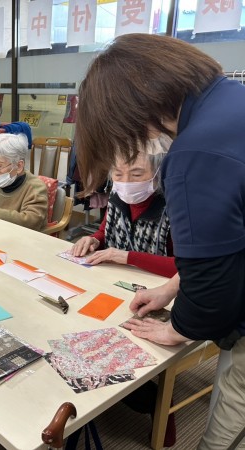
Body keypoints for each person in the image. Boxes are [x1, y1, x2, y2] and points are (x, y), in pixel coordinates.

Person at [75, 33, 245, 449]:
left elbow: (211, 285)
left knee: (228, 427)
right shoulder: (232, 101)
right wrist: (170, 288)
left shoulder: (194, 151)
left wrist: (179, 328)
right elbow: (230, 244)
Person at [70, 150, 176, 278]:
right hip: (116, 277)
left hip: (155, 284)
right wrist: (94, 240)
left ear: (159, 173)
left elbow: (186, 267)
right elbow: (104, 231)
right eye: (118, 174)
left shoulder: (175, 208)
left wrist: (128, 257)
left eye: (136, 174)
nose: (126, 182)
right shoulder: (116, 197)